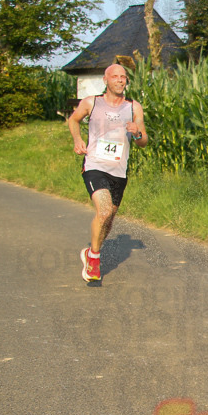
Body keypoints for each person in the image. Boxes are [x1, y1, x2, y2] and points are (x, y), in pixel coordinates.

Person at [68, 63, 149, 282]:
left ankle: (90, 251)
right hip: (95, 165)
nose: (120, 80)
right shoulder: (92, 102)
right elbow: (73, 120)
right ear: (106, 80)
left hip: (119, 171)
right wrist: (78, 139)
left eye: (123, 77)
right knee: (103, 211)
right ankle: (94, 259)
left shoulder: (134, 107)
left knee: (109, 218)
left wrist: (137, 131)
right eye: (115, 76)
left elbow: (143, 141)